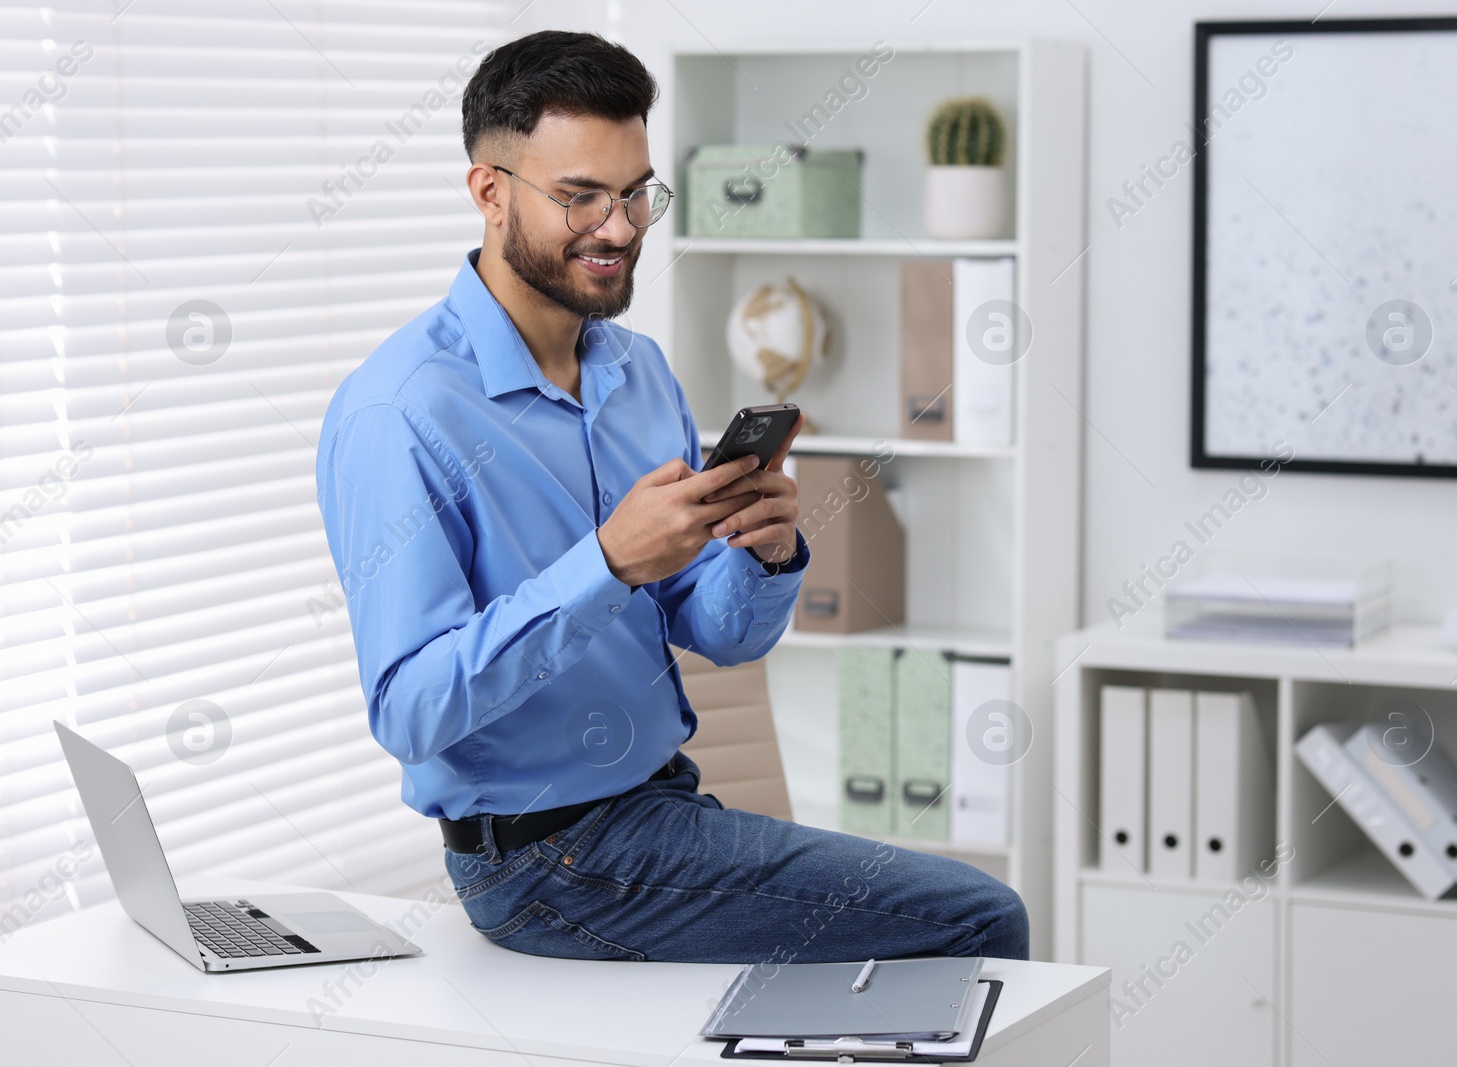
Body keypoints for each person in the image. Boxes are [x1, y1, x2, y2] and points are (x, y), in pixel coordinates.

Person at [314, 29, 1028, 964]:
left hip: (661, 805)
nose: (617, 227)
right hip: (542, 860)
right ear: (489, 192)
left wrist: (766, 553)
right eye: (579, 196)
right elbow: (409, 710)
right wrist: (607, 564)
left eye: (635, 193)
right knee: (982, 918)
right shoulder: (399, 412)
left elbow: (723, 634)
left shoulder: (637, 371)